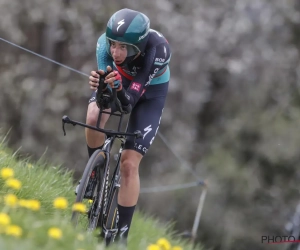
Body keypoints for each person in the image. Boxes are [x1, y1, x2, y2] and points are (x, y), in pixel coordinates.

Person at [86, 8, 171, 242]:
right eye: (114, 44)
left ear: (139, 46)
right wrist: (101, 85)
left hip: (150, 93)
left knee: (129, 165)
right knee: (94, 115)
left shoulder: (158, 49)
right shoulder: (103, 46)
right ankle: (94, 174)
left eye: (124, 47)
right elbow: (105, 94)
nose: (116, 52)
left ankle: (121, 235)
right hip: (121, 81)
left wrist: (118, 90)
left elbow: (130, 102)